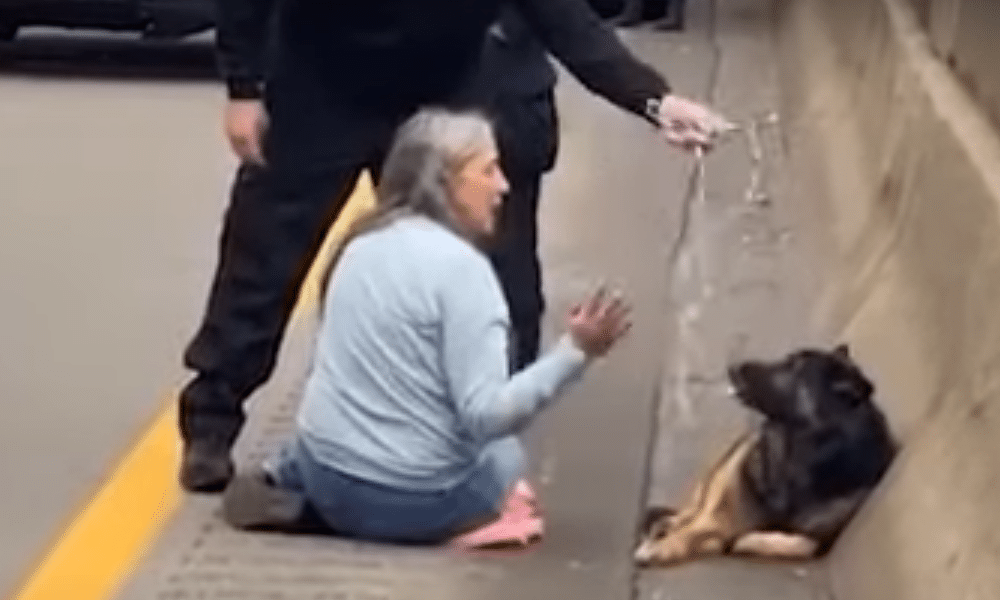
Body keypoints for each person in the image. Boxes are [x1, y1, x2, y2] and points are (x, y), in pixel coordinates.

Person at [179, 0, 733, 493]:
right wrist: (243, 88)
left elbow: (561, 17)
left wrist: (653, 101)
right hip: (322, 79)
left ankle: (492, 430)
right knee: (265, 255)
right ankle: (211, 418)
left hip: (447, 83)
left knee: (496, 262)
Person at [257, 108, 632, 548]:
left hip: (326, 473)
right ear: (446, 182)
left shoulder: (357, 244)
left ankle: (295, 478)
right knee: (504, 455)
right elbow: (487, 415)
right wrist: (575, 351)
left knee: (331, 430)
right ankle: (463, 526)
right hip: (413, 501)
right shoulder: (464, 271)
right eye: (488, 171)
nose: (503, 187)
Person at [479, 5, 560, 372]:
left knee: (509, 245)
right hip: (511, 102)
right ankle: (514, 364)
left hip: (507, 108)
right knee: (510, 243)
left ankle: (514, 364)